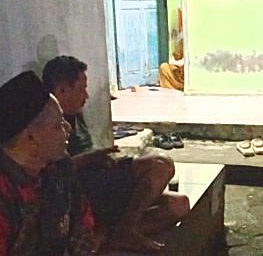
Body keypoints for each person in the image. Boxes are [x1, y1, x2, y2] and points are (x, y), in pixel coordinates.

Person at [42, 56, 189, 253]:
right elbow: (50, 171)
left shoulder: (74, 112)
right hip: (83, 191)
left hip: (100, 183)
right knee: (160, 165)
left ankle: (109, 234)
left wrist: (100, 159)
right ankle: (126, 229)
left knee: (179, 205)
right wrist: (89, 159)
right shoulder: (46, 122)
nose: (86, 95)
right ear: (61, 90)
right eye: (81, 89)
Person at [0, 71, 100, 256]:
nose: (67, 128)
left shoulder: (59, 168)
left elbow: (81, 222)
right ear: (32, 137)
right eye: (58, 124)